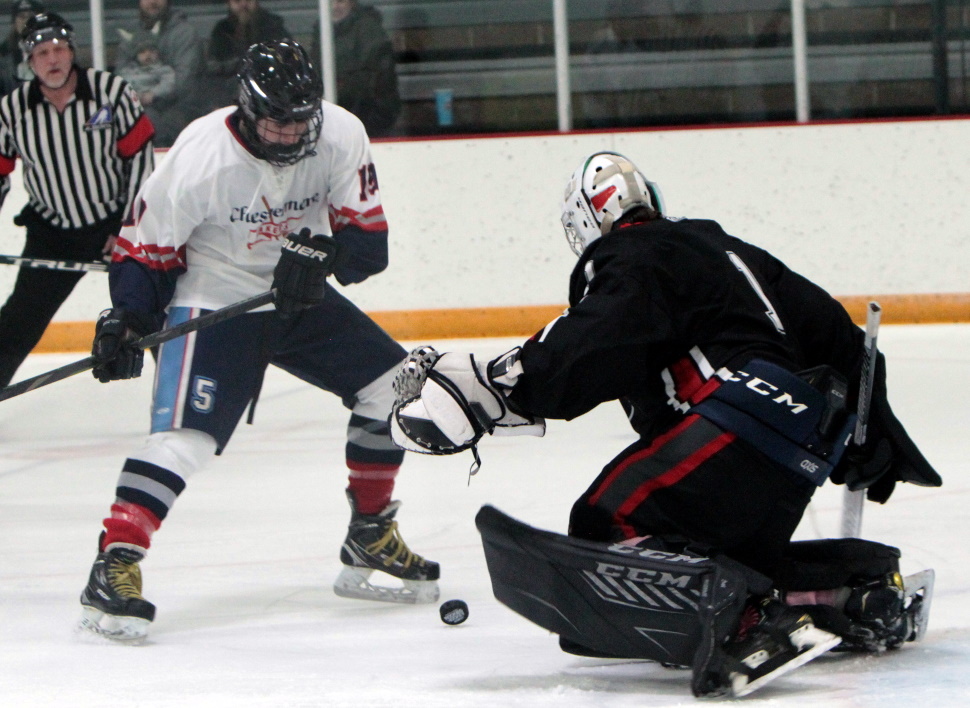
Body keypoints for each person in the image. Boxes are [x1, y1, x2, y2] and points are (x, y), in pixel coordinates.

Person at [389, 151, 943, 696]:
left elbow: (591, 345)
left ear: (585, 221)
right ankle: (855, 592)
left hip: (738, 421)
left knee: (613, 521)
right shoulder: (728, 250)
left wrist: (499, 388)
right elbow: (841, 338)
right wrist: (869, 435)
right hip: (794, 451)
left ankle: (745, 622)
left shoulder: (633, 253)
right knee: (715, 556)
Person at [77, 39, 438, 642]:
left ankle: (369, 534)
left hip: (300, 300)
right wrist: (129, 317)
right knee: (183, 440)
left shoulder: (341, 135)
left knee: (398, 388)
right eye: (278, 120)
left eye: (301, 118)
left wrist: (322, 255)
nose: (292, 132)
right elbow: (144, 249)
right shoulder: (202, 155)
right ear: (246, 109)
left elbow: (369, 246)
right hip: (217, 299)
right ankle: (114, 562)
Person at [0, 12, 154, 389]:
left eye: (58, 49)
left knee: (149, 313)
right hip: (52, 230)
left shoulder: (110, 91)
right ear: (29, 60)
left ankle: (180, 388)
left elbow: (141, 158)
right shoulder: (12, 109)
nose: (52, 59)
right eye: (41, 52)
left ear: (72, 51)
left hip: (112, 225)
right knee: (19, 323)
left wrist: (128, 229)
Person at [114, 0, 203, 147]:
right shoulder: (132, 35)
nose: (153, 2)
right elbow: (120, 79)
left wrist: (153, 97)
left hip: (180, 109)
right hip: (141, 107)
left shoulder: (184, 33)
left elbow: (184, 83)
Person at [312, 0, 401, 137]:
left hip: (367, 114)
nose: (335, 7)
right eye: (330, 2)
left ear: (351, 2)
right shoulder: (322, 29)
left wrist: (339, 87)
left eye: (340, 1)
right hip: (343, 112)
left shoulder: (368, 29)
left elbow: (374, 77)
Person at [203, 0, 289, 113]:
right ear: (229, 3)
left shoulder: (273, 28)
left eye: (248, 0)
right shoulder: (221, 31)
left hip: (269, 103)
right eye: (237, 1)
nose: (244, 5)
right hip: (230, 102)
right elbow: (213, 73)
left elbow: (285, 68)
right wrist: (217, 103)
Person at [0, 0, 43, 97]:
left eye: (31, 16)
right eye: (21, 16)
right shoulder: (3, 55)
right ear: (14, 22)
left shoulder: (57, 50)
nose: (26, 21)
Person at [116, 39, 175, 107]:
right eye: (142, 52)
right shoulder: (127, 71)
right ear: (136, 55)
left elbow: (168, 84)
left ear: (157, 54)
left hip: (153, 104)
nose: (147, 54)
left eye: (152, 51)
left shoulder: (163, 70)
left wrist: (153, 93)